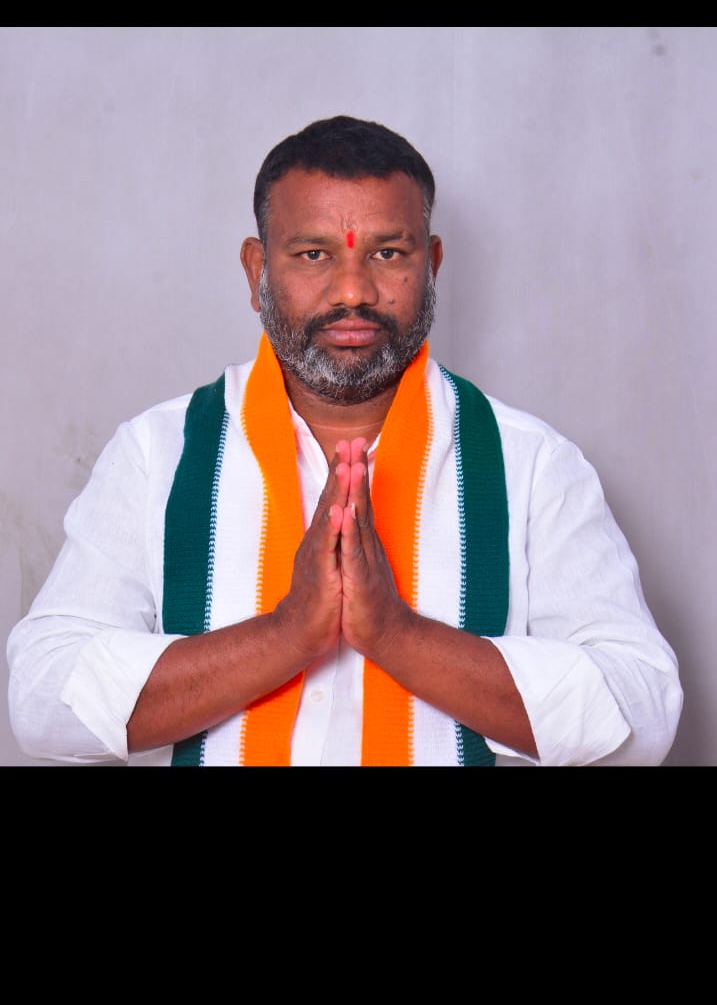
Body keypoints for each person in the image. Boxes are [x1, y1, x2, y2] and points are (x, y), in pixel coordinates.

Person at [6, 115, 683, 767]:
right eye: (313, 254)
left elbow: (643, 715)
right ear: (256, 271)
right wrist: (285, 634)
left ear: (432, 264)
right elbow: (40, 700)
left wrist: (396, 635)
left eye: (387, 253)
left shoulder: (529, 464)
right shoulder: (158, 454)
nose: (353, 290)